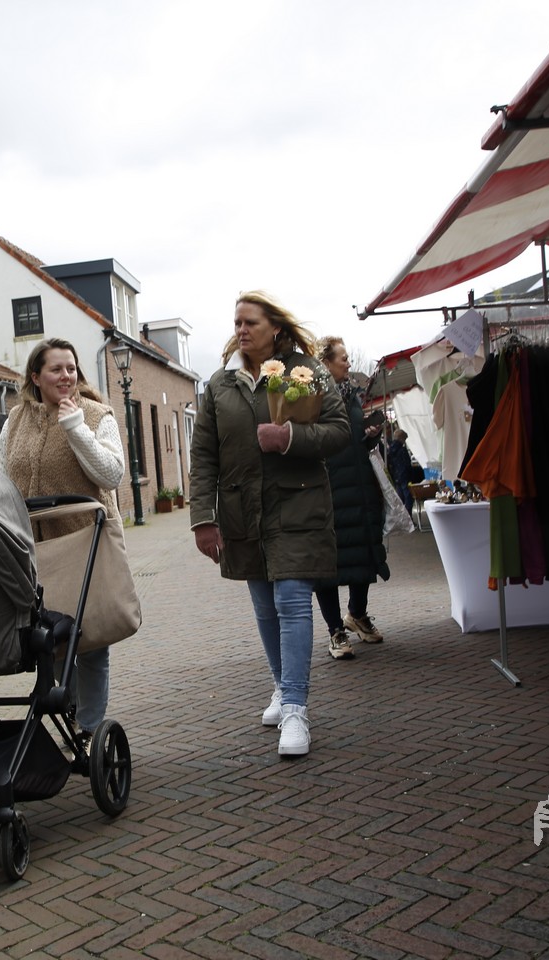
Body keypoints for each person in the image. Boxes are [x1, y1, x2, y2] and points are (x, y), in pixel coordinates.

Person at [188, 291, 349, 757]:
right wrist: (203, 518)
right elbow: (204, 456)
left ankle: (296, 708)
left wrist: (290, 437)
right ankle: (281, 684)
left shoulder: (308, 371)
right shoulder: (220, 385)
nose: (241, 330)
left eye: (251, 322)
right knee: (264, 605)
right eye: (237, 322)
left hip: (297, 503)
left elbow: (340, 430)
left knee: (292, 600)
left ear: (274, 327)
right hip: (242, 510)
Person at [0, 337, 126, 745]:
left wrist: (76, 428)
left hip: (85, 543)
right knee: (50, 640)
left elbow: (111, 474)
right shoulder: (15, 421)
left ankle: (90, 728)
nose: (66, 375)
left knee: (91, 638)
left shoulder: (97, 415)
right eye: (56, 369)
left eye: (71, 368)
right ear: (36, 376)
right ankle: (70, 715)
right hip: (33, 549)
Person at [313, 336, 391, 660]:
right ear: (325, 363)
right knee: (328, 566)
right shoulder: (311, 399)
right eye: (342, 358)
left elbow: (357, 440)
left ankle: (357, 614)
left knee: (363, 554)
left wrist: (371, 436)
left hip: (361, 489)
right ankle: (336, 630)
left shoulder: (354, 396)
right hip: (329, 493)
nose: (348, 362)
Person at [387, 428, 414, 515]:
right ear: (402, 439)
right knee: (409, 498)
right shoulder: (402, 450)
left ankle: (401, 517)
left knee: (399, 499)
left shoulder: (390, 449)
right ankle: (408, 516)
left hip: (396, 476)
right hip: (405, 476)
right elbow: (407, 464)